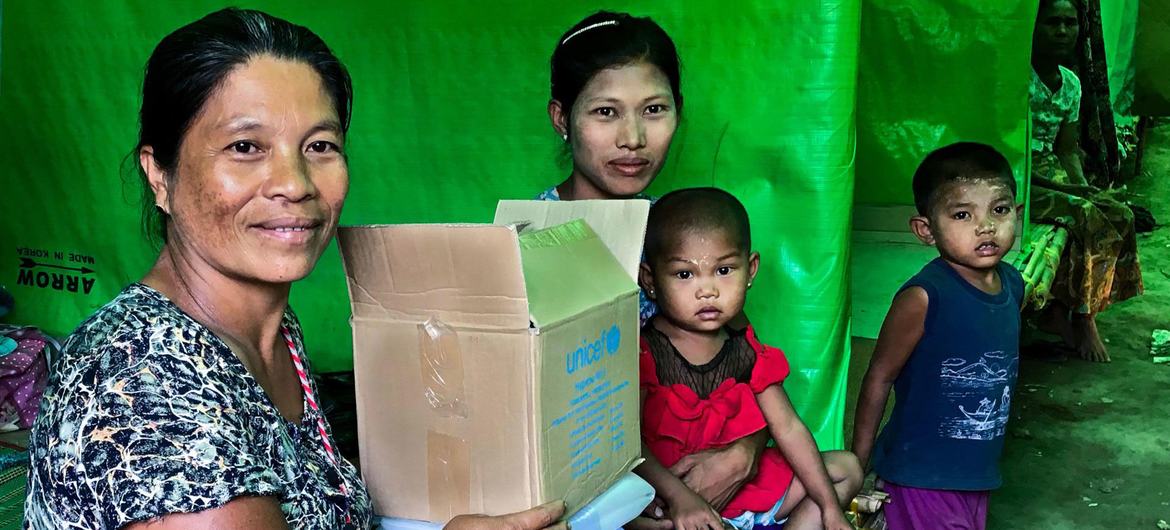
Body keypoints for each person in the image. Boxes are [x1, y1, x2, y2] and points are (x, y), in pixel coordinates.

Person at [24, 8, 564, 530]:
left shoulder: (271, 328)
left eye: (320, 146)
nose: (296, 182)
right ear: (159, 175)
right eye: (245, 146)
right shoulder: (142, 392)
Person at [538, 14, 770, 528]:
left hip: (691, 467)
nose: (634, 138)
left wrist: (742, 452)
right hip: (581, 489)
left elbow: (741, 361)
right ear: (561, 117)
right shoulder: (529, 235)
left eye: (654, 110)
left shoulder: (685, 232)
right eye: (605, 112)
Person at [635, 188, 861, 530]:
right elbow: (627, 446)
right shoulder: (644, 352)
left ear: (751, 269)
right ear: (650, 280)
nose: (708, 290)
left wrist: (831, 509)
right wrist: (681, 498)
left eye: (724, 270)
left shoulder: (745, 349)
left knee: (846, 469)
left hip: (747, 491)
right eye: (685, 274)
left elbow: (787, 427)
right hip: (673, 500)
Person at [851, 143, 1025, 530]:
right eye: (962, 214)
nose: (986, 227)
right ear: (926, 230)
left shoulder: (1012, 285)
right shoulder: (924, 298)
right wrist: (857, 463)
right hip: (919, 476)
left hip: (977, 475)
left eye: (999, 210)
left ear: (1018, 214)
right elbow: (879, 377)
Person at [1029, 0, 1142, 362]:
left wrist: (1083, 185)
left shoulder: (1071, 84)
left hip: (1052, 170)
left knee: (1119, 213)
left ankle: (1072, 307)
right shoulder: (1017, 80)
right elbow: (1011, 157)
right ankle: (1083, 318)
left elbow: (1066, 150)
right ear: (1033, 28)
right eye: (1052, 23)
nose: (1063, 31)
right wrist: (1071, 192)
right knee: (1085, 213)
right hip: (1019, 176)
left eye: (1070, 23)